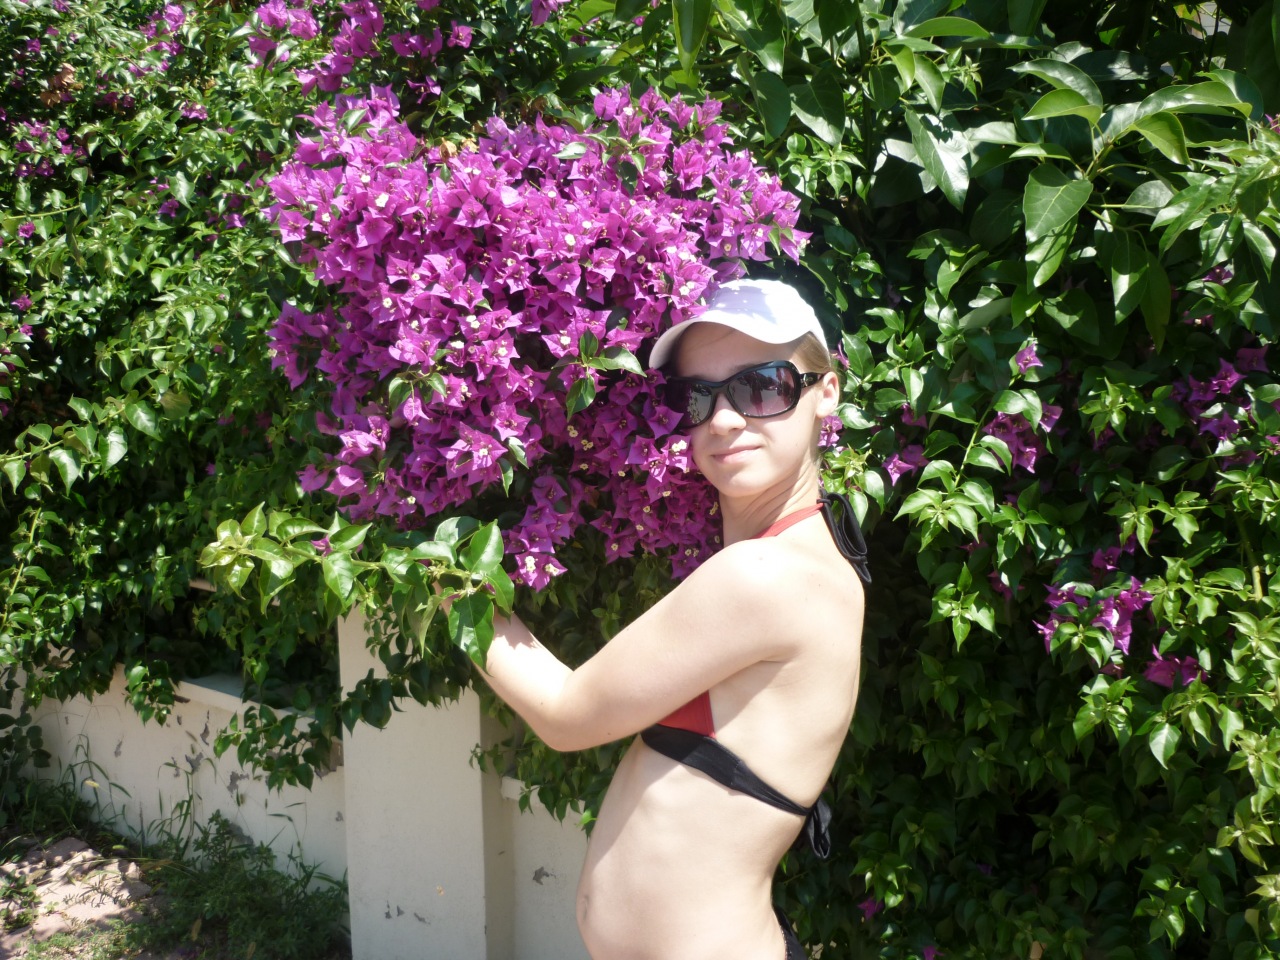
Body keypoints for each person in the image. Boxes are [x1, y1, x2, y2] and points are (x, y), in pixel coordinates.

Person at [480, 278, 869, 960]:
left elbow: (566, 715)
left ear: (826, 391)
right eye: (696, 397)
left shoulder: (766, 575)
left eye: (762, 387)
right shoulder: (796, 556)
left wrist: (441, 583)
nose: (723, 421)